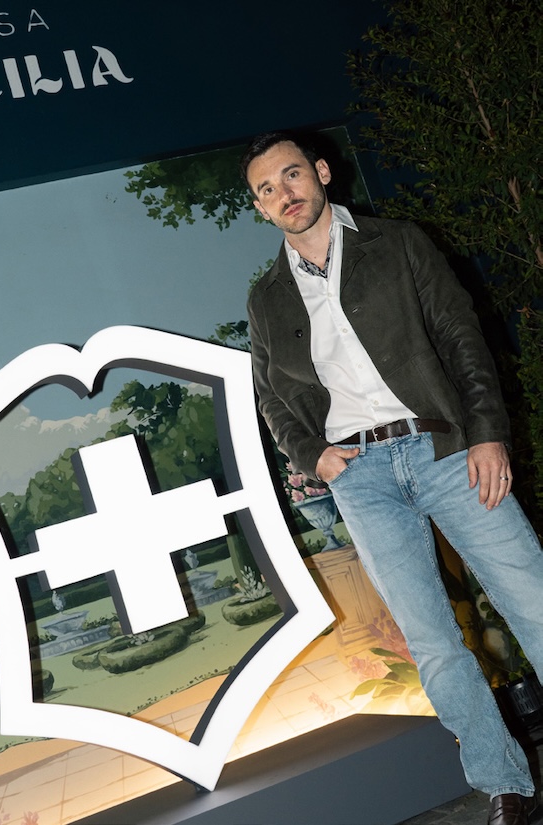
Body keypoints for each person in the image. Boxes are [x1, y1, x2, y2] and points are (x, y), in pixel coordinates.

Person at [242, 131, 543, 825]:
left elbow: (461, 336)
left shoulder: (399, 243)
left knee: (532, 597)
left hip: (445, 448)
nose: (285, 194)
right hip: (362, 477)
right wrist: (310, 453)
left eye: (292, 175)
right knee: (432, 642)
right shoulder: (266, 299)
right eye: (267, 189)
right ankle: (505, 783)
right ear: (260, 206)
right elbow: (271, 396)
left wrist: (487, 430)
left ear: (321, 172)